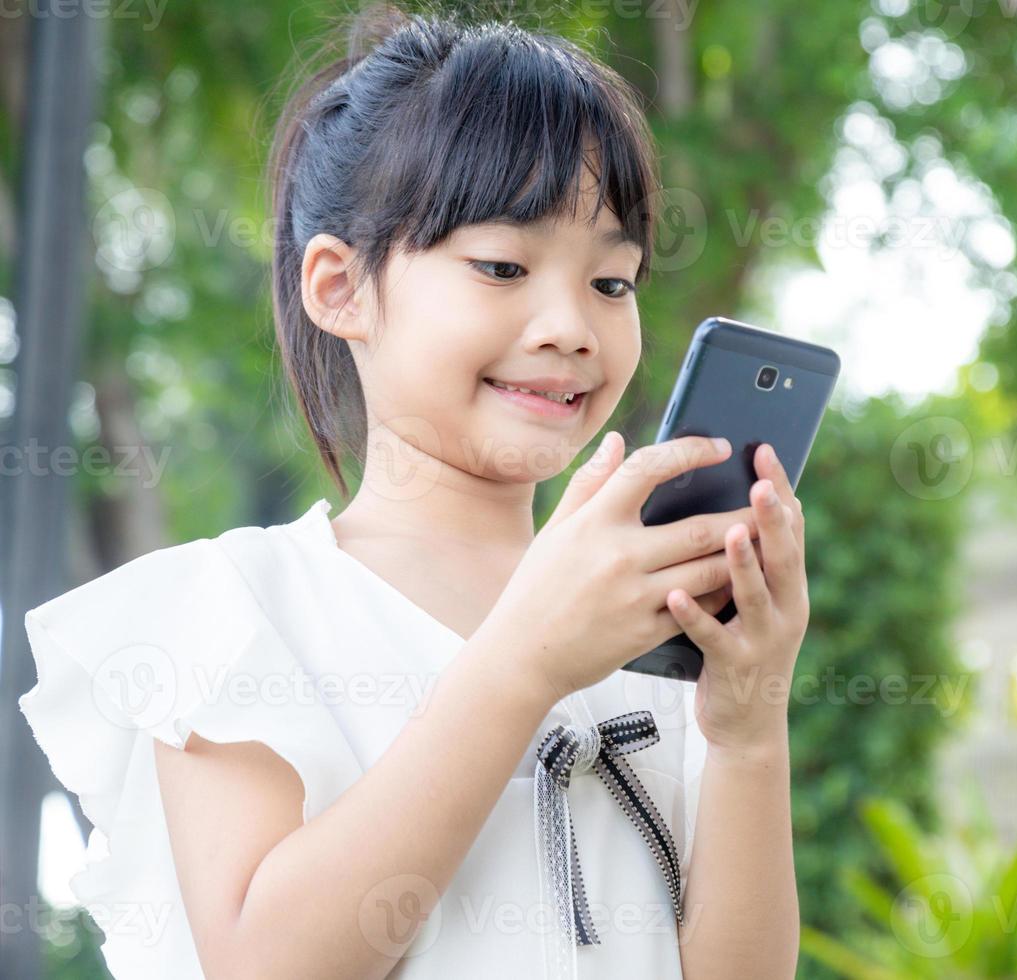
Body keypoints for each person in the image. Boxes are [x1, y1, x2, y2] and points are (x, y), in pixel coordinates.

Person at [17, 7, 805, 978]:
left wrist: (746, 727)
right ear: (340, 286)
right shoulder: (238, 607)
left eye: (612, 281)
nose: (570, 323)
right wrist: (523, 661)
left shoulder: (649, 616)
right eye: (503, 265)